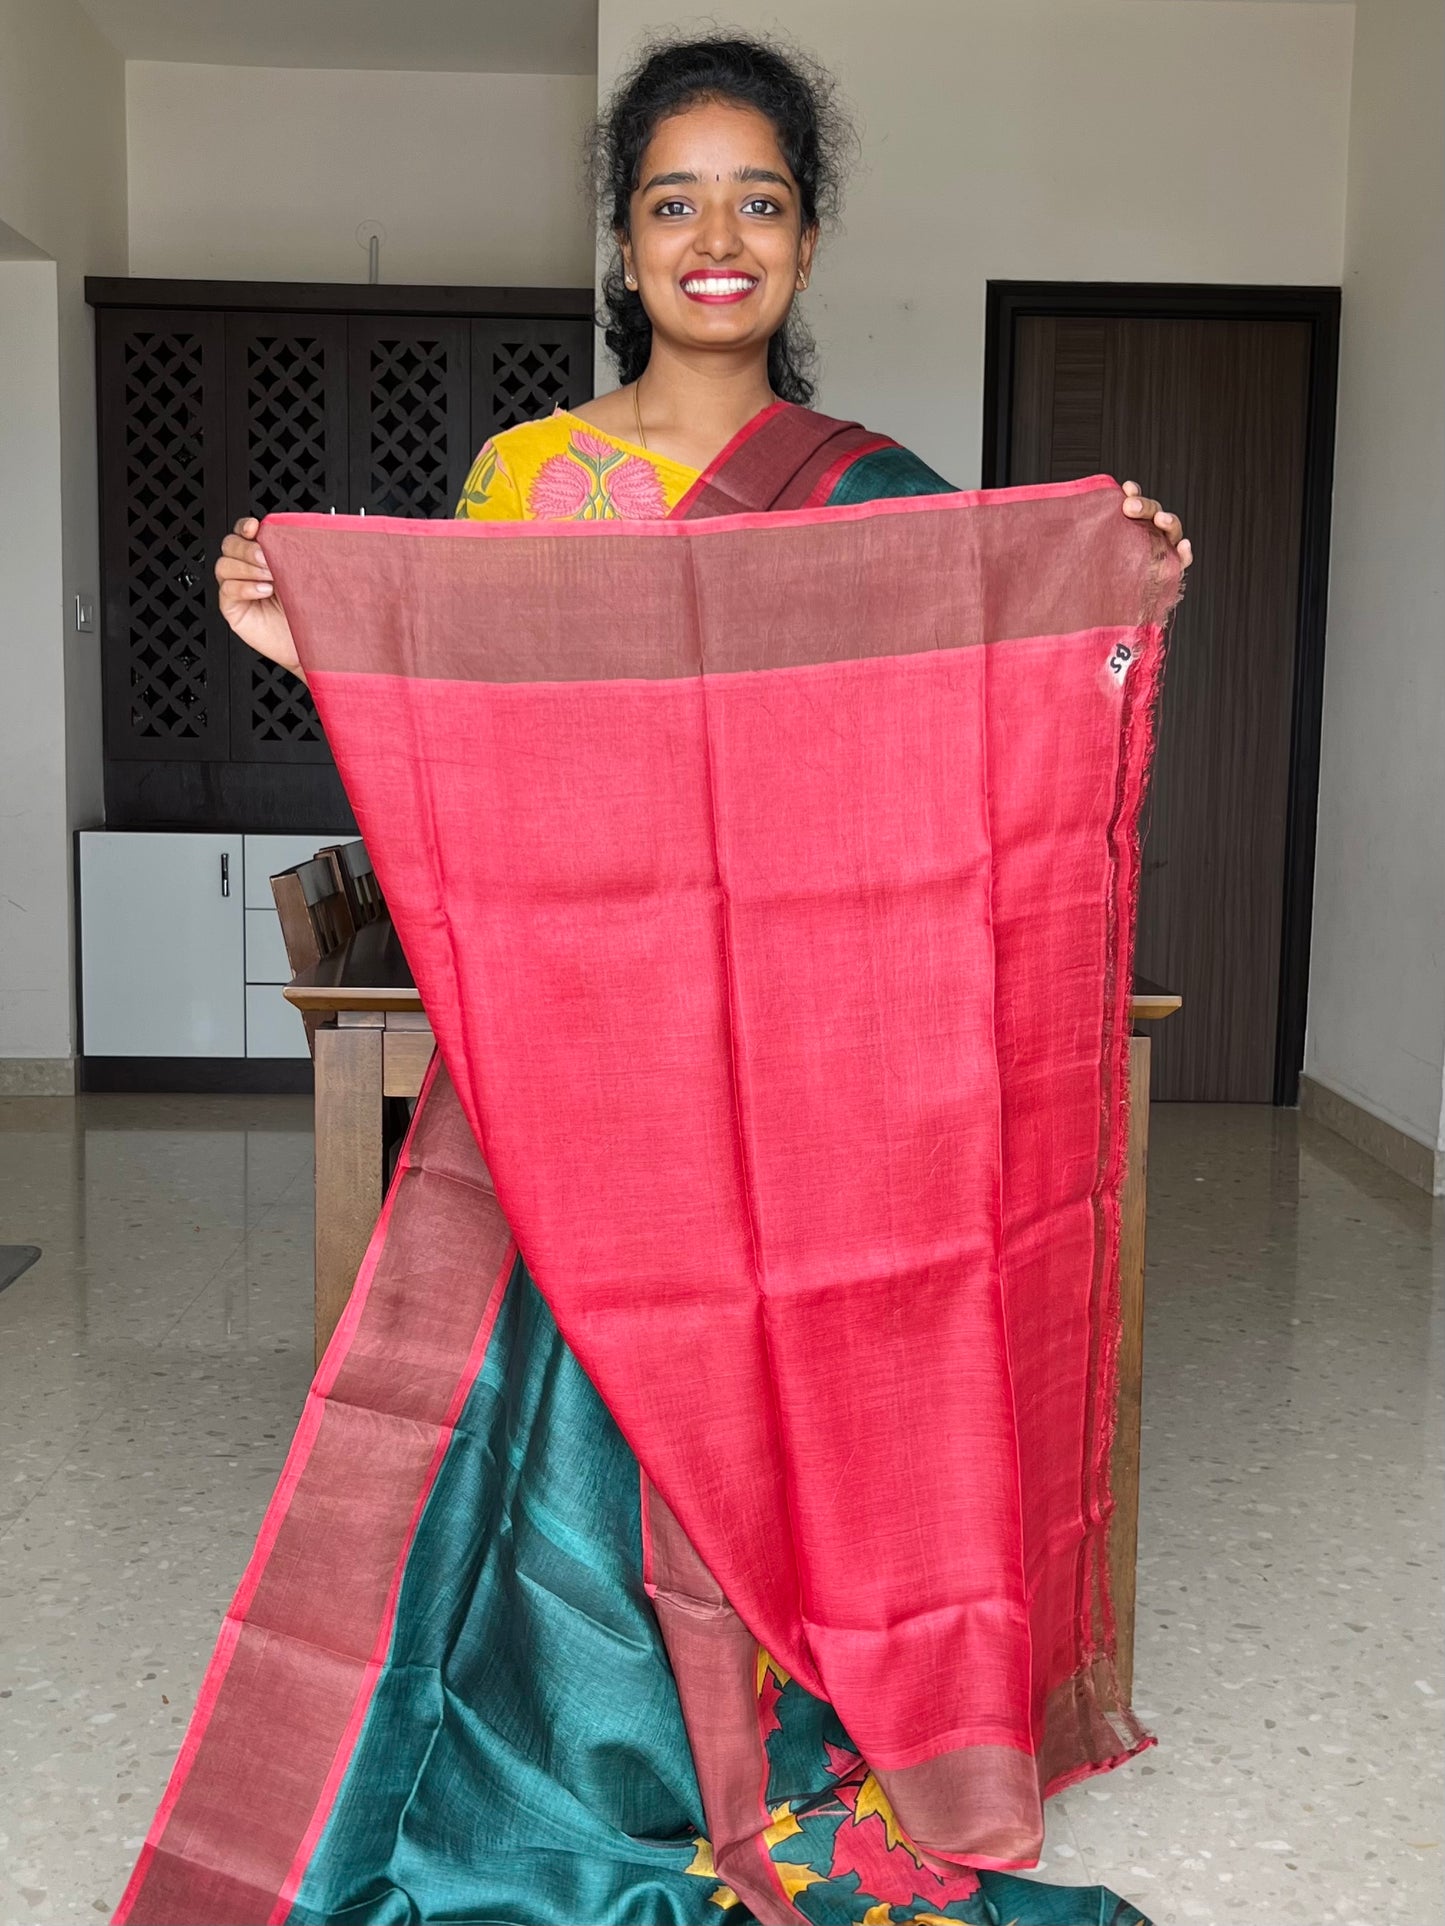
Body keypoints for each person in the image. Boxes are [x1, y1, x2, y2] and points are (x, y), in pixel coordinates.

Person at [131, 34, 1190, 1926]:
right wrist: (322, 644)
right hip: (580, 1064)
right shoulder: (528, 481)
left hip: (805, 1077)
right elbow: (476, 752)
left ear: (805, 237)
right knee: (581, 1413)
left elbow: (949, 758)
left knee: (801, 1391)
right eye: (673, 201)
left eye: (757, 200)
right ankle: (566, 1762)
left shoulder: (886, 500)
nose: (717, 237)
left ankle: (815, 1728)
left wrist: (1095, 606)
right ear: (622, 244)